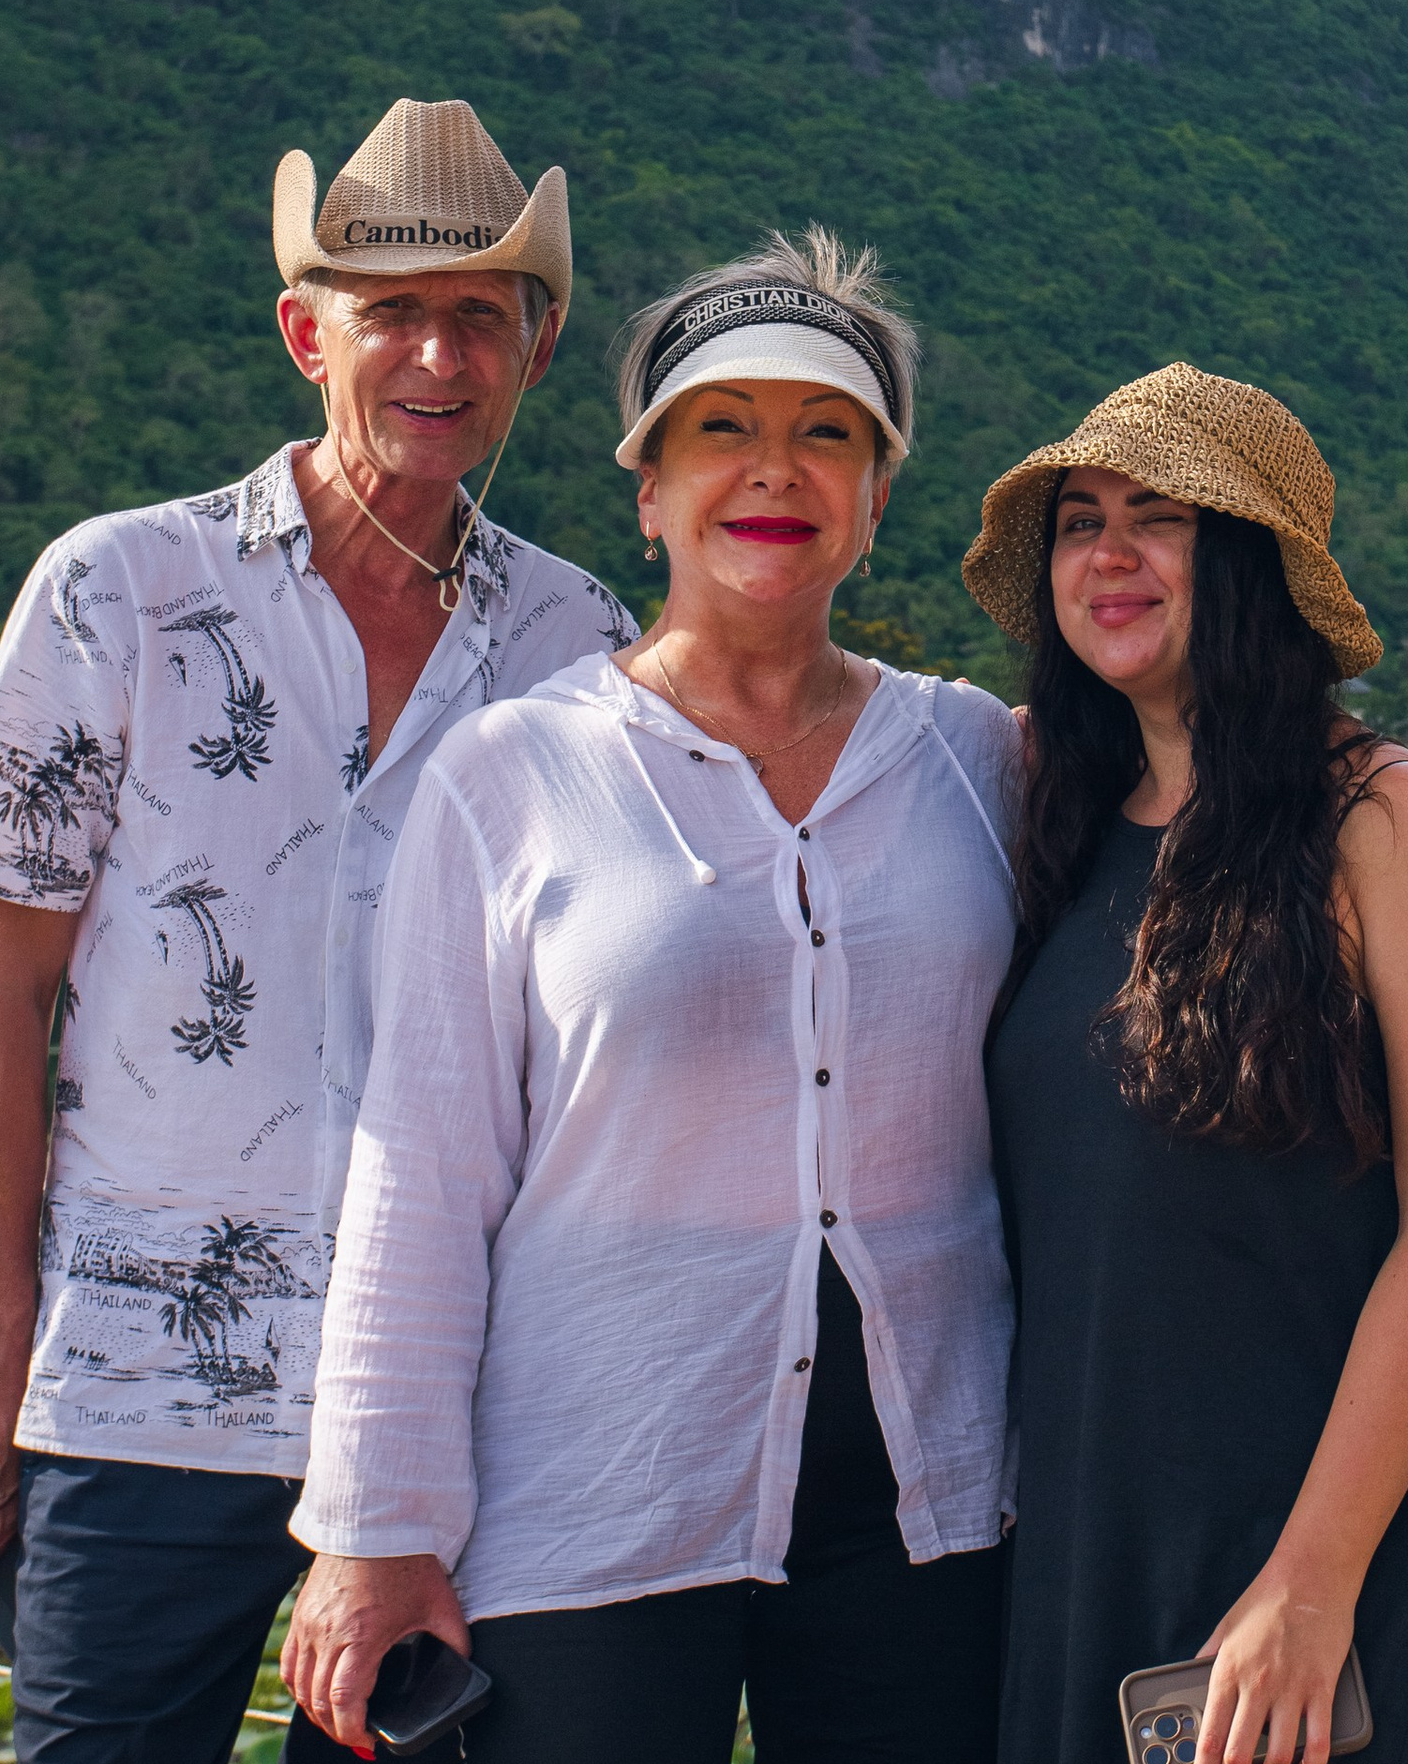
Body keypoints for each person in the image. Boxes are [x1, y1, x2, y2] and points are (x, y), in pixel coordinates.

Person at [0, 98, 635, 1762]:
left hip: (443, 1417)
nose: (437, 355)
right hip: (136, 1399)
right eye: (394, 315)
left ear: (539, 345)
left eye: (481, 319)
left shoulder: (582, 641)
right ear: (309, 332)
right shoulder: (117, 593)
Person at [282, 229, 1020, 1764]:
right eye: (721, 432)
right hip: (593, 1484)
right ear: (650, 492)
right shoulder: (515, 775)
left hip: (924, 1499)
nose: (777, 468)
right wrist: (376, 1524)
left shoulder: (977, 760)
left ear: (878, 497)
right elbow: (419, 1171)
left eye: (829, 433)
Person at [966, 364, 1408, 1764]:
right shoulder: (1061, 814)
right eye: (1081, 518)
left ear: (1261, 564)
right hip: (1082, 1543)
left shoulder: (1391, 822)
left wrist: (1311, 1581)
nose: (1108, 553)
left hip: (1310, 1564)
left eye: (1161, 516)